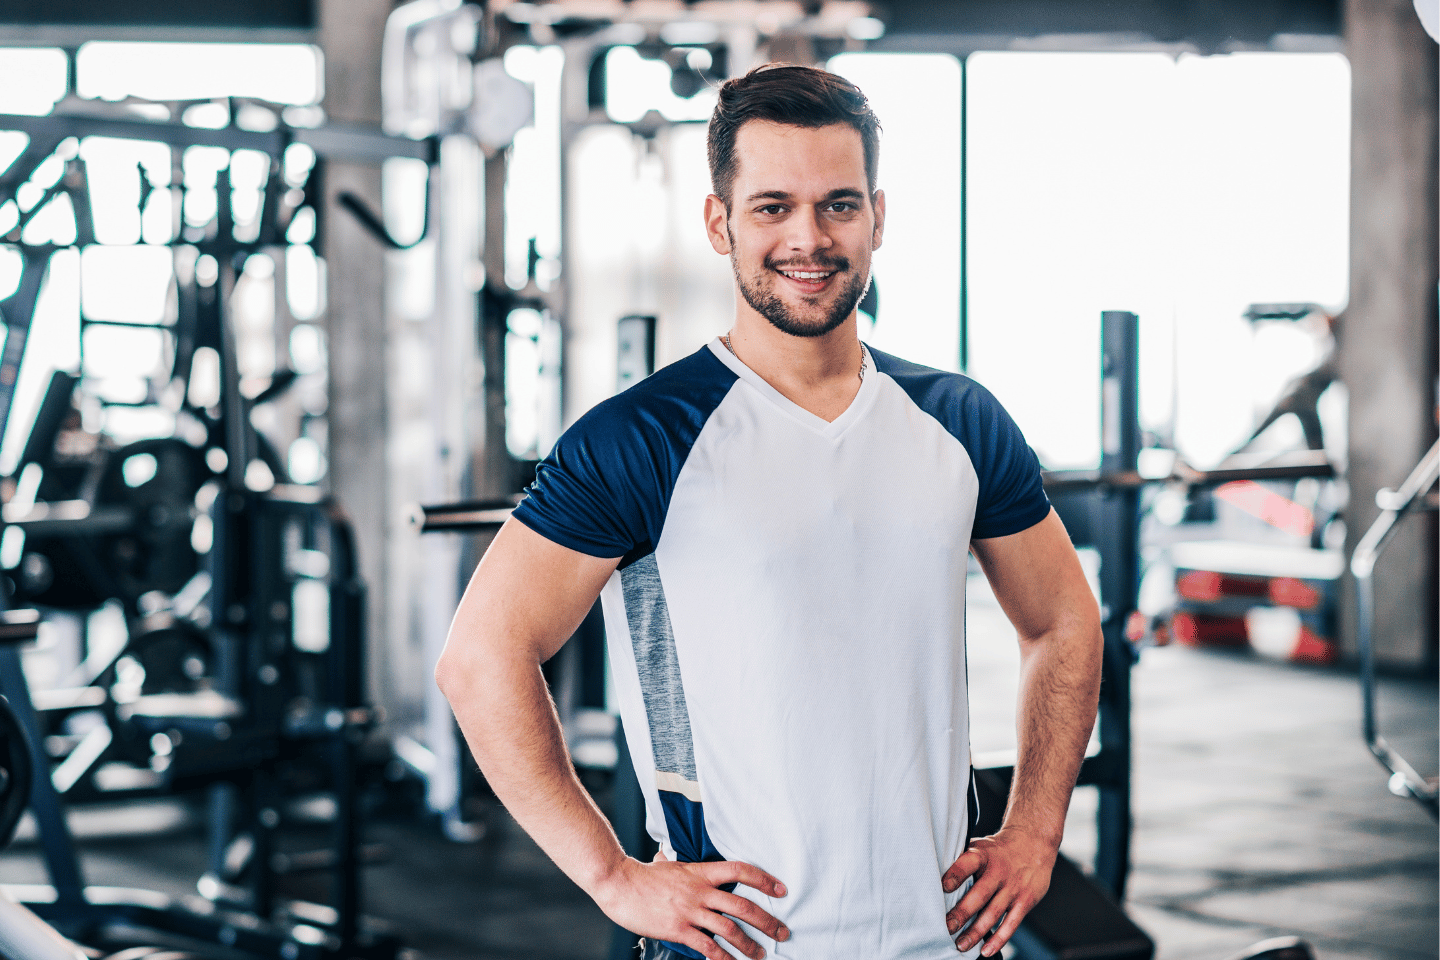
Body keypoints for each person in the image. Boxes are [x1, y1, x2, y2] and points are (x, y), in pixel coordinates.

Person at [436, 64, 1103, 960]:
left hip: (942, 938)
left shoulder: (957, 418)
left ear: (877, 216)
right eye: (772, 207)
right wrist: (612, 877)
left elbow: (1062, 619)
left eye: (838, 205)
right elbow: (480, 660)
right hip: (739, 946)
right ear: (721, 222)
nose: (809, 239)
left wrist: (1034, 831)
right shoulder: (644, 438)